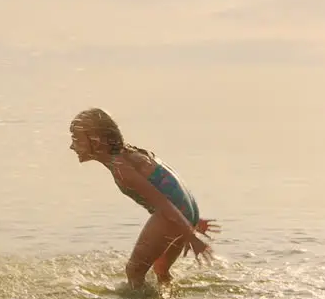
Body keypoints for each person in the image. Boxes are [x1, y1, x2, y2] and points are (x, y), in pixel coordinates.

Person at [69, 108, 218, 289]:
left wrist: (190, 235)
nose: (72, 146)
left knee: (134, 271)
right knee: (161, 268)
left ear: (96, 140)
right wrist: (189, 218)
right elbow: (170, 187)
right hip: (186, 210)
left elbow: (162, 203)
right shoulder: (130, 154)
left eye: (76, 138)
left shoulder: (120, 168)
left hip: (173, 213)